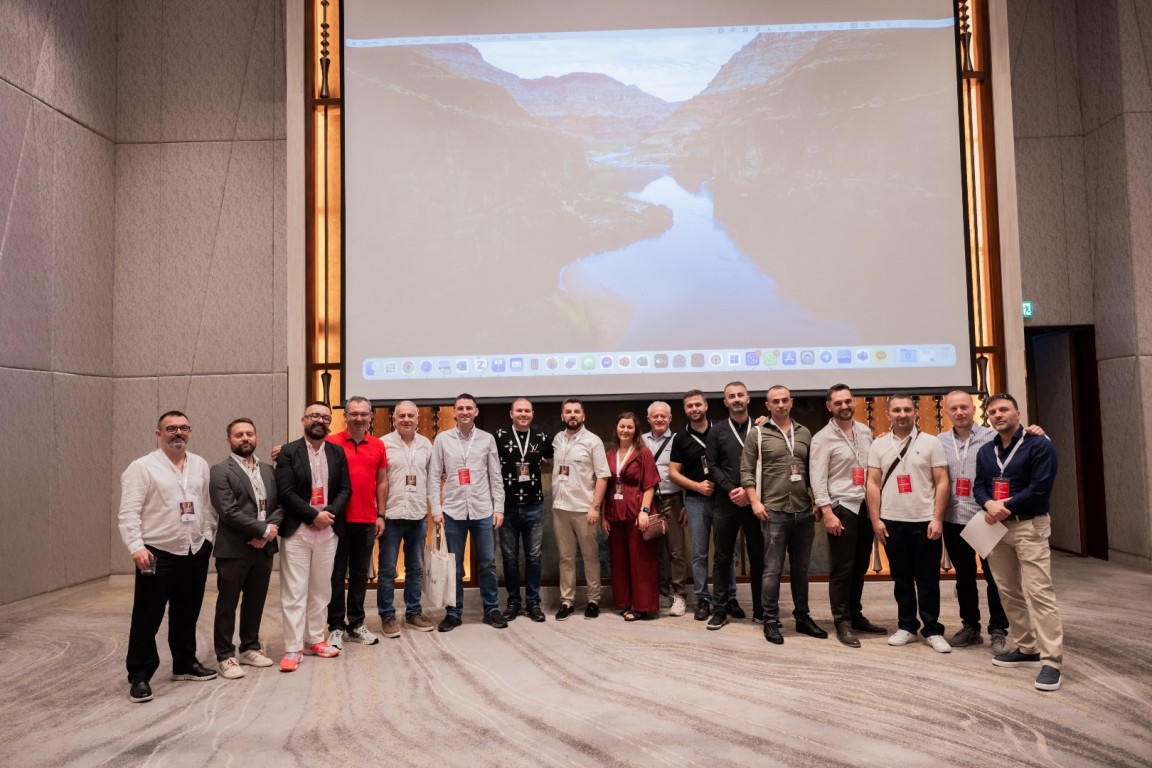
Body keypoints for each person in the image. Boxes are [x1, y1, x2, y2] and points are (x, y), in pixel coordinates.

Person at [119, 411, 218, 703]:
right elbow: (129, 512)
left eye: (184, 428)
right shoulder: (141, 467)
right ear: (158, 434)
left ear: (190, 431)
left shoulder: (199, 464)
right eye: (171, 428)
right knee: (147, 616)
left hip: (194, 549)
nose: (178, 433)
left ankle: (184, 663)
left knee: (187, 611)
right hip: (156, 552)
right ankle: (140, 674)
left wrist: (207, 537)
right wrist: (136, 546)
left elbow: (205, 505)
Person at [975, 393, 1064, 691]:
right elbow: (979, 486)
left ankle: (1052, 662)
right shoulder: (986, 451)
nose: (998, 415)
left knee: (1039, 592)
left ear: (1017, 413)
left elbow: (1040, 487)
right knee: (1008, 591)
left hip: (1029, 525)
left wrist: (1005, 505)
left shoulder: (1038, 445)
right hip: (996, 528)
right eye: (993, 412)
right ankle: (1027, 648)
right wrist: (989, 504)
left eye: (1004, 410)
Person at [741, 386, 827, 645]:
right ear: (767, 405)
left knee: (801, 569)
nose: (780, 405)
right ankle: (770, 619)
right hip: (773, 511)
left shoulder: (805, 433)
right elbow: (746, 471)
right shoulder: (757, 433)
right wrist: (755, 502)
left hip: (803, 511)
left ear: (791, 402)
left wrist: (816, 501)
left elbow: (813, 471)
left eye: (784, 400)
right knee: (772, 570)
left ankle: (802, 617)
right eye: (775, 401)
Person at [866, 395, 952, 654]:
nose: (902, 414)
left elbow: (942, 481)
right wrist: (876, 519)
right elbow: (872, 483)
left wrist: (937, 518)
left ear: (915, 412)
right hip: (891, 521)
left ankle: (933, 630)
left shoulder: (931, 442)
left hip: (925, 521)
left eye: (906, 409)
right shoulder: (879, 444)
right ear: (888, 414)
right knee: (901, 579)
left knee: (928, 579)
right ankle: (906, 626)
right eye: (896, 410)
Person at [274, 401, 351, 672]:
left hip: (328, 531)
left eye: (325, 417)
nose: (320, 420)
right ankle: (293, 647)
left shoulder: (337, 452)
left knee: (321, 589)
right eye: (314, 415)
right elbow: (285, 492)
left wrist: (328, 514)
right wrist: (312, 516)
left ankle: (315, 639)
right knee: (295, 591)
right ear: (304, 419)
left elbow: (345, 489)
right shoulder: (288, 452)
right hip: (299, 530)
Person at [809, 384, 887, 647]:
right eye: (838, 403)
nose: (844, 406)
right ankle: (841, 622)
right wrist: (827, 512)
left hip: (866, 506)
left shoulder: (864, 431)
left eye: (847, 401)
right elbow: (817, 478)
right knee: (842, 569)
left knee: (860, 566)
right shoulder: (822, 438)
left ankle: (855, 615)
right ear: (829, 406)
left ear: (853, 402)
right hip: (842, 507)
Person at [209, 418, 282, 679]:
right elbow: (228, 511)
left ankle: (250, 647)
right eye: (239, 435)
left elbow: (280, 505)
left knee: (255, 601)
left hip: (263, 548)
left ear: (256, 437)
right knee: (227, 604)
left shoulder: (269, 470)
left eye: (249, 434)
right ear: (229, 440)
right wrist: (262, 530)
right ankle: (225, 655)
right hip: (234, 549)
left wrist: (269, 532)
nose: (245, 438)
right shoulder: (220, 470)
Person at [940, 390, 1010, 654]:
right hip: (952, 518)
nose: (959, 412)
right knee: (964, 577)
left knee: (995, 577)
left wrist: (1038, 432)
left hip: (985, 518)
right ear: (947, 412)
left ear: (973, 408)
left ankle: (998, 630)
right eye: (954, 408)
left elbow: (1024, 443)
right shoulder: (939, 441)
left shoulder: (993, 437)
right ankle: (970, 627)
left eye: (964, 407)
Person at [428, 393, 506, 631]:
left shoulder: (487, 439)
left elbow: (495, 475)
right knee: (454, 566)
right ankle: (454, 613)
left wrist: (499, 508)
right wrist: (436, 509)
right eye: (460, 408)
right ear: (454, 411)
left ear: (476, 412)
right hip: (452, 511)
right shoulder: (442, 439)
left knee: (487, 564)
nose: (464, 412)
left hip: (483, 510)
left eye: (469, 408)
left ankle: (491, 610)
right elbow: (434, 476)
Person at [326, 396, 388, 649]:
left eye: (364, 414)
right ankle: (335, 626)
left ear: (370, 416)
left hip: (366, 520)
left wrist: (381, 514)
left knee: (360, 576)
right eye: (354, 413)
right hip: (337, 521)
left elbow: (382, 481)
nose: (359, 418)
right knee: (335, 576)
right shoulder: (331, 442)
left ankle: (356, 624)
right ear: (345, 416)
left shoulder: (378, 445)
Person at [669, 390, 736, 621]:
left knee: (725, 552)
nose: (694, 409)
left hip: (724, 500)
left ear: (706, 406)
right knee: (699, 554)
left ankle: (729, 597)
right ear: (685, 410)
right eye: (689, 406)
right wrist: (697, 486)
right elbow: (673, 473)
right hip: (696, 502)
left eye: (698, 404)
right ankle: (703, 599)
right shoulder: (680, 438)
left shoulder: (722, 430)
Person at [377, 401, 437, 636]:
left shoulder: (426, 444)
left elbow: (432, 478)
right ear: (394, 419)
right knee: (387, 570)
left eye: (411, 416)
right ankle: (387, 616)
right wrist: (379, 514)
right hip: (391, 515)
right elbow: (378, 481)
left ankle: (413, 613)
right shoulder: (383, 444)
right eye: (401, 416)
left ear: (417, 418)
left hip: (418, 516)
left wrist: (435, 510)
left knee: (415, 568)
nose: (406, 420)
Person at [493, 397, 554, 622]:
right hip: (506, 507)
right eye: (519, 410)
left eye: (527, 411)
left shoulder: (541, 438)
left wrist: (544, 463)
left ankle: (533, 603)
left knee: (534, 557)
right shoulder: (498, 437)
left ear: (532, 414)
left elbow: (551, 460)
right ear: (511, 414)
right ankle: (513, 602)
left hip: (533, 506)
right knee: (509, 557)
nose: (523, 414)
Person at [705, 382, 759, 629]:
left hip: (755, 501)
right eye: (731, 396)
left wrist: (749, 492)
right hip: (726, 502)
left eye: (740, 395)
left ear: (748, 398)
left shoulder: (760, 428)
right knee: (722, 558)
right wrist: (731, 489)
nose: (736, 399)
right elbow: (712, 466)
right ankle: (720, 610)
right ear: (725, 402)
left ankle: (761, 610)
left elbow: (767, 463)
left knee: (759, 557)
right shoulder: (716, 431)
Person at [551, 398, 610, 620]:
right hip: (560, 508)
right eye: (568, 411)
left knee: (590, 557)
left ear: (583, 416)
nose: (572, 415)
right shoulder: (557, 439)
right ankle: (566, 601)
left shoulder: (593, 441)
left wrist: (595, 507)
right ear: (562, 416)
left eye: (576, 411)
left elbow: (603, 476)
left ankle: (593, 600)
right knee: (566, 558)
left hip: (585, 509)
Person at [604, 412, 662, 621]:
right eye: (622, 426)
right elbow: (605, 487)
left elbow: (650, 485)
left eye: (630, 427)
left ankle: (642, 606)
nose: (625, 430)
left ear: (636, 430)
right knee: (620, 560)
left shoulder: (643, 452)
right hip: (615, 512)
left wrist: (644, 511)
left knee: (641, 561)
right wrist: (603, 517)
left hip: (638, 513)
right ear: (616, 428)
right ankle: (626, 602)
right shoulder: (609, 454)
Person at [645, 401, 688, 616]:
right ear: (649, 419)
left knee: (675, 550)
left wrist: (686, 503)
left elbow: (688, 471)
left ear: (670, 418)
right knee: (654, 549)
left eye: (663, 416)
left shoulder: (679, 439)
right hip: (648, 502)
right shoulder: (640, 440)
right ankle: (660, 592)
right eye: (655, 416)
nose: (659, 419)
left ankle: (679, 595)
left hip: (673, 500)